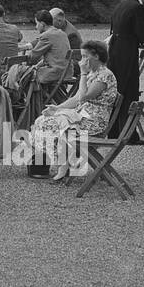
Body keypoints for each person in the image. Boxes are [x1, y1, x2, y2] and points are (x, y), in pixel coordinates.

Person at [32, 40, 119, 181]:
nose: (82, 60)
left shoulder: (105, 75)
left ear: (96, 56)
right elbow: (77, 97)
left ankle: (64, 164)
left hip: (94, 122)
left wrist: (83, 74)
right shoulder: (94, 73)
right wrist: (58, 108)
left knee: (52, 125)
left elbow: (84, 96)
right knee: (43, 120)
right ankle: (64, 162)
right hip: (82, 117)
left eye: (85, 56)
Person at [107, 0, 144, 128]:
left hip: (115, 50)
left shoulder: (121, 5)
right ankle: (128, 131)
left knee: (117, 89)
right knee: (130, 91)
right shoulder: (137, 8)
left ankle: (114, 129)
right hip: (127, 53)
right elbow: (142, 34)